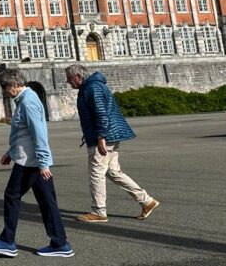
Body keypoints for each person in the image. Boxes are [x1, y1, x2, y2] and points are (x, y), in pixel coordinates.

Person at [0, 67, 74, 258]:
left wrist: (43, 163)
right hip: (32, 160)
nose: (5, 91)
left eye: (5, 86)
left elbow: (39, 134)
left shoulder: (28, 101)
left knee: (12, 195)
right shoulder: (25, 99)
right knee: (47, 201)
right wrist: (10, 152)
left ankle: (7, 241)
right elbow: (23, 132)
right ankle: (60, 243)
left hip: (30, 162)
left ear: (15, 84)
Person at [65, 64, 160, 223]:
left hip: (104, 137)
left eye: (69, 78)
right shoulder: (93, 86)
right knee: (114, 172)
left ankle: (99, 211)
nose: (68, 82)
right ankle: (146, 201)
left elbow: (101, 113)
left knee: (96, 173)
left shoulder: (92, 88)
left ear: (78, 76)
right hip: (111, 135)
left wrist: (100, 136)